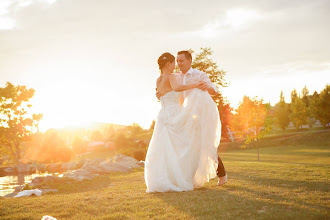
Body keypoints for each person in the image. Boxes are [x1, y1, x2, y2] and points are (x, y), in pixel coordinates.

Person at [144, 52, 221, 193]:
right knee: (185, 145)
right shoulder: (173, 76)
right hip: (175, 114)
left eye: (180, 61)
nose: (176, 65)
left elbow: (162, 93)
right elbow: (177, 88)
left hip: (163, 115)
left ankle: (166, 177)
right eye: (175, 62)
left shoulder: (158, 79)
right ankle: (181, 177)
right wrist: (196, 84)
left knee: (164, 148)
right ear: (169, 64)